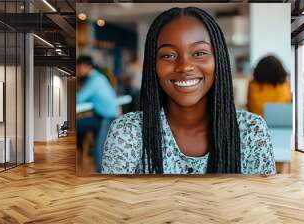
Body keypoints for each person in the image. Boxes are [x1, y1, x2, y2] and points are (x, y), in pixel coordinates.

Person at [102, 7, 276, 174]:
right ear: (153, 65)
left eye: (199, 53)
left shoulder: (252, 130)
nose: (184, 67)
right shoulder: (127, 132)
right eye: (168, 55)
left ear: (219, 60)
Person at [76, 55, 119, 173]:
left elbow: (79, 98)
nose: (78, 71)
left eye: (79, 67)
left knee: (99, 149)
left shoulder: (94, 80)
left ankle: (101, 175)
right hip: (99, 117)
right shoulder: (99, 77)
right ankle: (80, 151)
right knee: (77, 124)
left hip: (107, 118)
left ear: (87, 67)